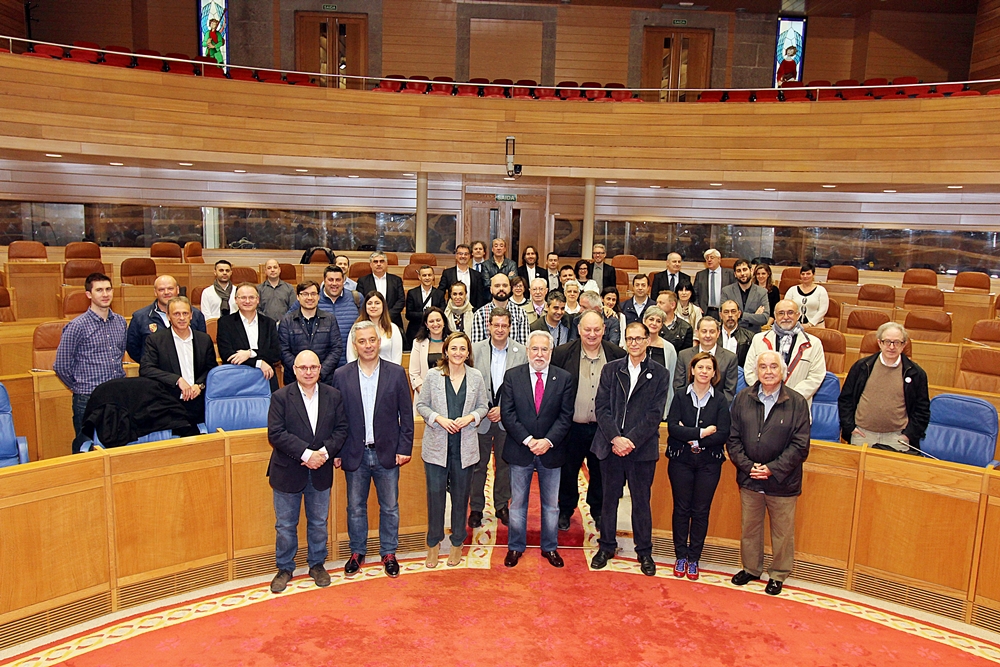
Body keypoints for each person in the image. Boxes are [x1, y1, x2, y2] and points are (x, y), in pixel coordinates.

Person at [333, 321, 414, 578]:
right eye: (362, 341)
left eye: (372, 340)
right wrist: (336, 451)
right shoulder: (341, 375)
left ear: (379, 342)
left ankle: (389, 552)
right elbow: (335, 418)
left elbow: (406, 415)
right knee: (355, 507)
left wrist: (405, 447)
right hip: (353, 452)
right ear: (355, 346)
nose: (368, 345)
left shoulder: (396, 373)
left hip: (388, 452)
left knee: (389, 506)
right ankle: (357, 551)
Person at [590, 321, 670, 576]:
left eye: (639, 338)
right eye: (630, 338)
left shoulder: (660, 373)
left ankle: (644, 551)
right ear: (625, 341)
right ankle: (606, 547)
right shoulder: (611, 370)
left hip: (641, 450)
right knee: (608, 500)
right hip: (610, 447)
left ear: (648, 340)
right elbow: (601, 407)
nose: (634, 343)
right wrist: (615, 438)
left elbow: (654, 414)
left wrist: (630, 440)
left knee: (641, 502)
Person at [728, 351, 811, 596]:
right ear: (756, 371)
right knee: (750, 528)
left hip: (783, 480)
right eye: (763, 366)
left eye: (773, 366)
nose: (768, 371)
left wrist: (772, 469)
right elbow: (733, 440)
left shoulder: (797, 402)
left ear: (782, 371)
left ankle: (778, 574)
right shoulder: (743, 398)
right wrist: (748, 466)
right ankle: (751, 568)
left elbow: (800, 445)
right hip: (749, 477)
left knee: (782, 531)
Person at [266, 350, 349, 593]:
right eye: (303, 368)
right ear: (294, 370)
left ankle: (316, 564)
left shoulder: (333, 396)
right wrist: (306, 455)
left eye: (313, 367)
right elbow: (276, 433)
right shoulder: (280, 397)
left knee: (318, 522)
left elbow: (342, 429)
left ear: (320, 369)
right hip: (288, 470)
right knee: (285, 525)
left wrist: (323, 454)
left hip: (321, 470)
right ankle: (284, 567)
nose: (309, 372)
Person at [500, 330, 575, 569]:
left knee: (551, 505)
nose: (539, 354)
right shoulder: (513, 376)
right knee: (518, 503)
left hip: (551, 451)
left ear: (551, 352)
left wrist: (547, 441)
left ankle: (550, 547)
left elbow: (566, 416)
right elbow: (508, 414)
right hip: (521, 448)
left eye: (544, 349)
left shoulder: (564, 378)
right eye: (535, 349)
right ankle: (515, 547)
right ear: (527, 351)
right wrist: (529, 439)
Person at [416, 332, 489, 568]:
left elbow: (483, 406)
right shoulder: (433, 376)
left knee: (460, 496)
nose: (458, 353)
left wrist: (470, 417)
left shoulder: (476, 376)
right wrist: (437, 418)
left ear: (468, 353)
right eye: (454, 348)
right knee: (435, 496)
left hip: (465, 447)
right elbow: (421, 405)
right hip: (437, 447)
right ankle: (433, 544)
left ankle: (457, 543)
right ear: (445, 351)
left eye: (463, 349)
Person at [551, 310, 625, 533]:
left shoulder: (617, 355)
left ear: (604, 329)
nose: (592, 334)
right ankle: (565, 509)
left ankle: (599, 511)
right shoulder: (562, 354)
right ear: (579, 330)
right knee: (568, 471)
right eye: (587, 329)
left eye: (596, 329)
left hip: (603, 428)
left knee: (601, 472)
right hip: (571, 426)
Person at [666, 352, 731, 581]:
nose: (704, 372)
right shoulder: (680, 396)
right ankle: (680, 555)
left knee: (701, 511)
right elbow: (673, 428)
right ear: (692, 370)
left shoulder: (721, 400)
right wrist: (701, 433)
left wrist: (691, 436)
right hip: (681, 460)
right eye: (700, 367)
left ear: (714, 373)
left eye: (708, 368)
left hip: (708, 463)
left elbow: (723, 433)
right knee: (681, 509)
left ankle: (694, 558)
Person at [470, 307, 527, 529]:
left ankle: (502, 505)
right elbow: (472, 387)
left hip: (508, 418)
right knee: (478, 465)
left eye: (505, 325)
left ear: (510, 327)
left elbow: (523, 387)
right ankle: (476, 507)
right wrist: (485, 410)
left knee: (505, 465)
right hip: (481, 419)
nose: (500, 329)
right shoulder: (475, 351)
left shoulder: (520, 352)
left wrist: (503, 409)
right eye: (496, 325)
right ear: (489, 326)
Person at [53, 272, 127, 442]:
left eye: (108, 289)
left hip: (116, 394)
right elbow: (61, 366)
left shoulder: (121, 322)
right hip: (88, 396)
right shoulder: (76, 326)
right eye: (99, 290)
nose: (105, 294)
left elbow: (119, 354)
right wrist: (79, 386)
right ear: (89, 294)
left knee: (117, 441)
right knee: (84, 444)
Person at [839, 322, 930, 454]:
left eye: (897, 342)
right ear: (879, 343)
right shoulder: (862, 367)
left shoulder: (916, 373)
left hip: (897, 438)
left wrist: (908, 435)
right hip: (862, 435)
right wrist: (850, 427)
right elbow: (845, 400)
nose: (891, 347)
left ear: (904, 345)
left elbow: (922, 410)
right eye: (887, 341)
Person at [139, 296, 218, 425]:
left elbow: (211, 368)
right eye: (176, 314)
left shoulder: (204, 339)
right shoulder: (156, 340)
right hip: (169, 405)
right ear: (168, 316)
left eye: (185, 313)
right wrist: (177, 380)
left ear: (191, 315)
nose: (181, 318)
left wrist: (199, 385)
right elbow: (146, 369)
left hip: (199, 404)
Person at [743, 299, 826, 405]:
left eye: (790, 312)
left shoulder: (814, 344)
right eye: (781, 313)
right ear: (775, 316)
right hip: (763, 402)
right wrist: (767, 392)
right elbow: (750, 371)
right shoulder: (758, 339)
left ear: (798, 315)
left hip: (796, 406)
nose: (786, 317)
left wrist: (790, 396)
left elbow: (816, 376)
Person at [126, 275, 208, 363]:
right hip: (154, 373)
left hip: (189, 369)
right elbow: (133, 348)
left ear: (177, 289)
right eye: (161, 289)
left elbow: (201, 345)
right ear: (155, 292)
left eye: (170, 288)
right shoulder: (140, 317)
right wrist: (150, 363)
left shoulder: (195, 314)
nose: (166, 292)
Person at [217, 283, 281, 392]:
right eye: (243, 297)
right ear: (236, 300)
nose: (247, 301)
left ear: (258, 300)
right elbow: (227, 355)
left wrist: (250, 353)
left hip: (266, 378)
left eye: (251, 297)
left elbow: (276, 353)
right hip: (237, 379)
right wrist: (258, 363)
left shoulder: (268, 323)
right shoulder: (225, 323)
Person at [278, 281, 344, 386]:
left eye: (313, 294)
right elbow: (283, 350)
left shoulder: (330, 319)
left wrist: (319, 372)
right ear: (298, 297)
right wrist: (302, 371)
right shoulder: (287, 320)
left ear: (318, 297)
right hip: (294, 381)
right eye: (305, 294)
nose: (309, 298)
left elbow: (336, 349)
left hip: (325, 380)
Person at [674, 316, 739, 403]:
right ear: (697, 333)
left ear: (718, 333)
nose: (708, 335)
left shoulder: (730, 358)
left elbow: (729, 391)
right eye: (704, 331)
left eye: (712, 332)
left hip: (717, 410)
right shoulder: (684, 355)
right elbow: (678, 386)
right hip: (687, 408)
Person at [470, 273, 531, 345]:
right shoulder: (480, 315)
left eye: (505, 285)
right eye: (497, 286)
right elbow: (477, 349)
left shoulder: (521, 314)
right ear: (491, 289)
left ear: (510, 288)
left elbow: (524, 347)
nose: (501, 288)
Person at [317, 265, 359, 367]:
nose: (334, 284)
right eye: (331, 280)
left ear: (343, 281)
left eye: (338, 280)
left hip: (349, 364)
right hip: (320, 366)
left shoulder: (356, 298)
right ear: (324, 281)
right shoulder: (313, 299)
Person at [347, 291, 403, 365]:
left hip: (388, 373)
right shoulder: (357, 328)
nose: (373, 306)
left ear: (383, 305)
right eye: (369, 303)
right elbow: (351, 355)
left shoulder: (393, 328)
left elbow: (397, 357)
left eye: (377, 303)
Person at [356, 251, 406, 333]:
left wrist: (387, 316)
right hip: (369, 322)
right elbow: (361, 302)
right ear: (371, 265)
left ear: (386, 264)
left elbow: (401, 301)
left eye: (381, 261)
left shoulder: (396, 280)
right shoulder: (363, 281)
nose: (378, 264)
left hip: (392, 321)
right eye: (375, 262)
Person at [409, 307, 451, 401]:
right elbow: (414, 374)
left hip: (450, 396)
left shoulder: (452, 342)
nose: (435, 324)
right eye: (431, 321)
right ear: (426, 324)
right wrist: (427, 395)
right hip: (425, 397)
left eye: (438, 320)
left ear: (444, 322)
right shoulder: (418, 343)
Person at [720, 259, 770, 333]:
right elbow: (723, 317)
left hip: (754, 335)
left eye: (745, 269)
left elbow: (764, 318)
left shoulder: (762, 292)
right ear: (735, 274)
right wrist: (753, 317)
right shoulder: (726, 291)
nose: (742, 273)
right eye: (739, 271)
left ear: (751, 271)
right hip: (733, 334)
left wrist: (739, 315)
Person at [404, 265, 445, 348]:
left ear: (433, 276)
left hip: (435, 331)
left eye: (429, 275)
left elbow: (442, 312)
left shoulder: (439, 293)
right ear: (419, 277)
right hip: (415, 331)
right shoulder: (412, 293)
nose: (427, 278)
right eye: (424, 275)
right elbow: (408, 314)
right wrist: (426, 315)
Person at [438, 244, 489, 309]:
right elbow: (440, 293)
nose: (463, 256)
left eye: (466, 254)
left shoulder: (477, 275)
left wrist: (476, 310)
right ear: (456, 256)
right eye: (460, 254)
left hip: (471, 311)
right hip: (452, 311)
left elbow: (480, 297)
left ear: (470, 256)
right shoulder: (447, 273)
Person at [694, 249, 735, 320]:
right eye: (707, 258)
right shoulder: (700, 275)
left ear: (719, 259)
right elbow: (695, 294)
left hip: (724, 312)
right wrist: (697, 308)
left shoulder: (729, 273)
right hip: (705, 312)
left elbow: (735, 293)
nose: (709, 260)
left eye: (712, 257)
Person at [784, 262, 829, 328]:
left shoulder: (821, 290)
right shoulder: (792, 290)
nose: (805, 276)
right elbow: (785, 306)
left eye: (808, 274)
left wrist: (810, 324)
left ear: (813, 275)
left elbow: (823, 310)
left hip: (816, 326)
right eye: (803, 274)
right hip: (794, 326)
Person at [258, 259, 296, 323]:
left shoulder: (289, 288)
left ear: (279, 270)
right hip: (265, 324)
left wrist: (284, 320)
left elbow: (293, 308)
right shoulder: (259, 289)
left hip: (285, 325)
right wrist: (267, 321)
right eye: (269, 268)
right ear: (265, 271)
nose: (272, 270)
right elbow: (257, 309)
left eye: (275, 267)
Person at [719, 299, 754, 367]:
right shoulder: (713, 335)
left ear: (739, 314)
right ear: (721, 315)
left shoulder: (749, 337)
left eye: (733, 311)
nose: (730, 315)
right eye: (726, 312)